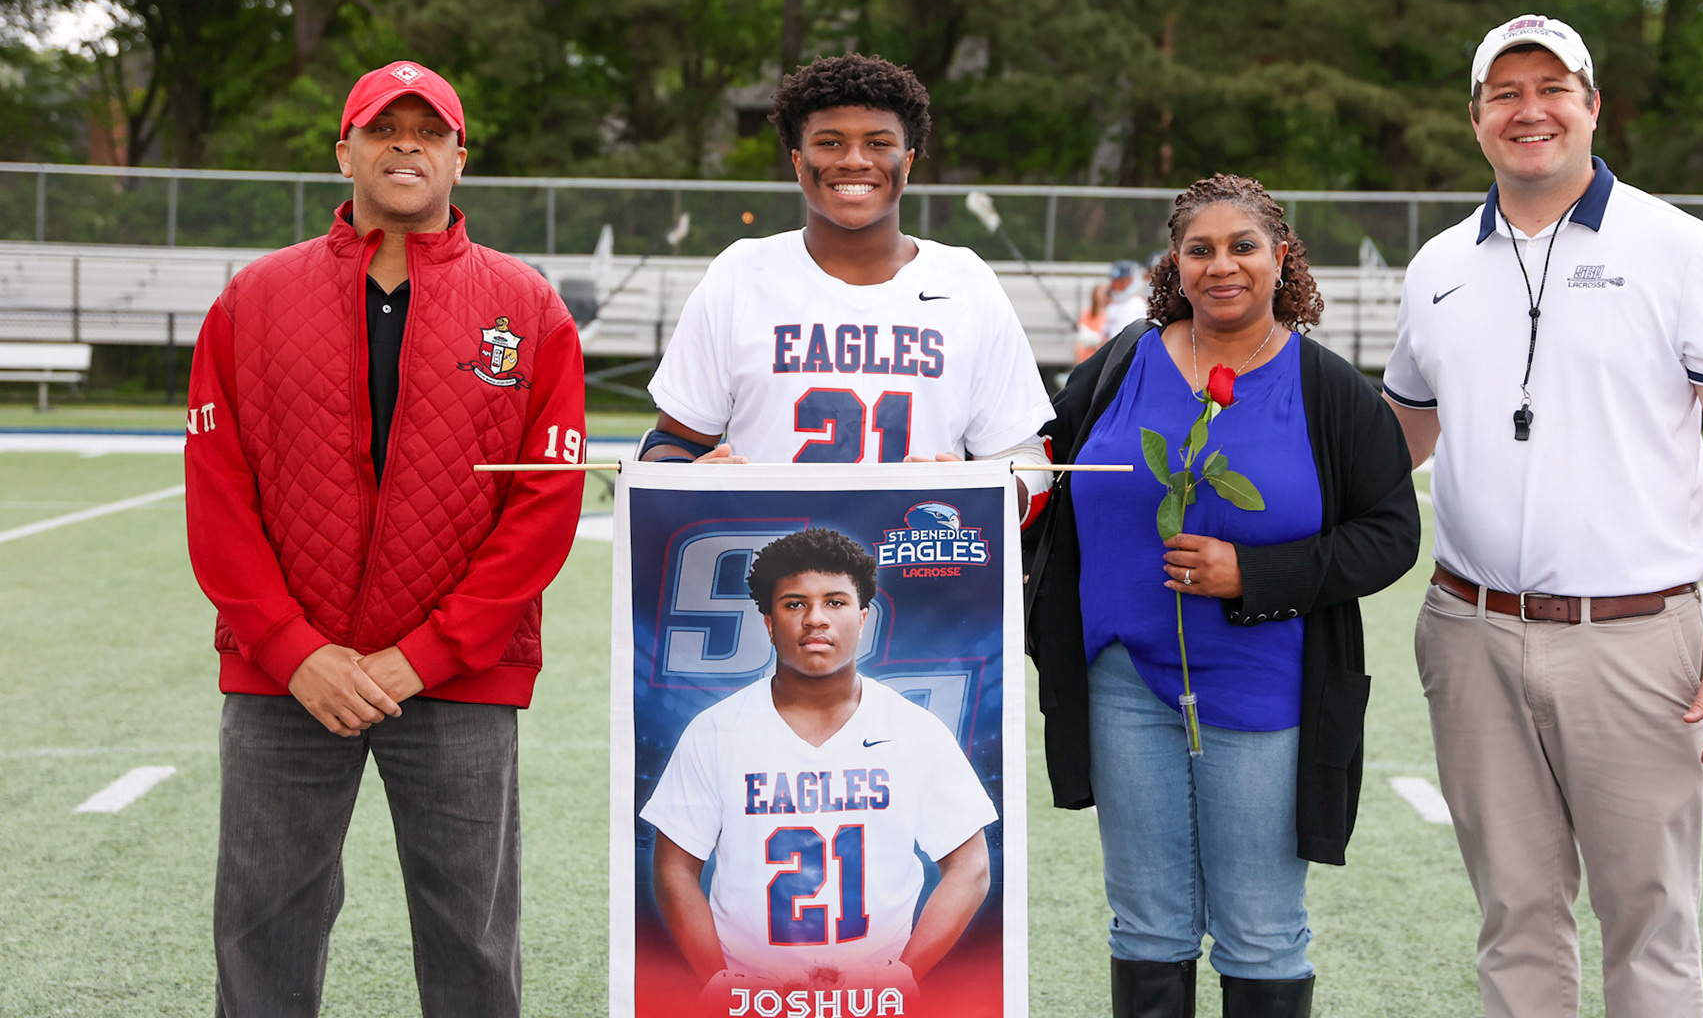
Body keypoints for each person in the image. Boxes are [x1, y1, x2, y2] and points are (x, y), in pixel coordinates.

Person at [1383, 15, 1703, 1018]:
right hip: (1470, 630)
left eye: (1553, 87)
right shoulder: (1438, 264)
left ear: (1592, 105)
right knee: (1515, 918)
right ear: (1476, 118)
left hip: (1637, 640)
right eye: (1505, 92)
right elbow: (1399, 437)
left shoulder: (1682, 249)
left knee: (1650, 924)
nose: (1530, 109)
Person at [184, 59, 587, 1018]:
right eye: (382, 127)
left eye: (429, 130)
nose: (406, 143)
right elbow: (218, 491)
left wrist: (430, 653)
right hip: (290, 679)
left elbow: (544, 504)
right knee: (262, 923)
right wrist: (292, 650)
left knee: (472, 938)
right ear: (345, 153)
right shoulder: (254, 298)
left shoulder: (529, 309)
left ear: (458, 159)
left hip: (457, 676)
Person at [1025, 174, 1420, 1018]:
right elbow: (1038, 467)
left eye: (1243, 246)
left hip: (1265, 687)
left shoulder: (1331, 390)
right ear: (1176, 263)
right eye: (1199, 250)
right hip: (1125, 683)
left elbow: (1391, 534)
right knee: (1145, 925)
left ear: (1282, 257)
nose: (1222, 266)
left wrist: (1258, 576)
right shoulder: (1124, 361)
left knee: (1262, 928)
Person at [643, 52, 1053, 517]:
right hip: (768, 567)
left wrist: (977, 499)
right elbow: (673, 442)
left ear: (909, 161)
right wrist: (686, 482)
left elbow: (1023, 458)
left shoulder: (965, 282)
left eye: (878, 143)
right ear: (799, 161)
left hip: (922, 567)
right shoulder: (741, 273)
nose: (855, 161)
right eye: (831, 142)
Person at [642, 527, 996, 1008]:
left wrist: (904, 973)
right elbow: (674, 869)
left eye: (835, 602)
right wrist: (718, 979)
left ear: (863, 617)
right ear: (767, 622)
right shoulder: (717, 731)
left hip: (875, 995)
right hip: (751, 994)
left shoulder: (913, 728)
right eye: (793, 604)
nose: (815, 619)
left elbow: (970, 867)